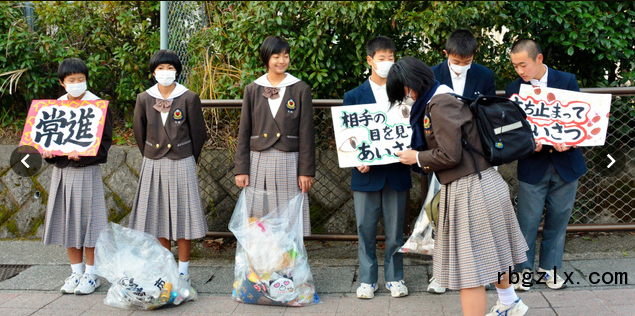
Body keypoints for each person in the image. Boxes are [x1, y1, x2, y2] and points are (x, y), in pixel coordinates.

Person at [388, 56, 529, 316]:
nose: (405, 98)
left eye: (404, 92)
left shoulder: (439, 103)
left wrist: (416, 157)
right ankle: (510, 301)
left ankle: (509, 302)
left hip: (471, 188)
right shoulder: (443, 97)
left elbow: (449, 155)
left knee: (470, 269)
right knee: (495, 251)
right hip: (479, 183)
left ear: (414, 83)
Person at [505, 39, 587, 291]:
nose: (520, 71)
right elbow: (512, 130)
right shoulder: (515, 88)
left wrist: (571, 142)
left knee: (558, 220)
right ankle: (523, 272)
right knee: (526, 221)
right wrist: (528, 143)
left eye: (523, 65)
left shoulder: (567, 80)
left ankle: (549, 270)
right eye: (515, 66)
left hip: (566, 163)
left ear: (538, 59)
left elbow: (578, 120)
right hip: (533, 163)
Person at [129, 49, 208, 285]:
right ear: (153, 72)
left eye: (170, 68)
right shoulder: (144, 98)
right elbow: (138, 131)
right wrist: (152, 154)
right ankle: (165, 267)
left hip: (182, 161)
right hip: (153, 162)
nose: (166, 72)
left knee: (184, 217)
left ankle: (183, 270)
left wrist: (186, 156)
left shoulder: (188, 97)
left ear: (177, 71)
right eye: (161, 68)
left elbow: (199, 134)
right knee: (159, 216)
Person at [428, 29, 497, 294]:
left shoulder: (484, 75)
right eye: (456, 61)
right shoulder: (433, 74)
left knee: (480, 219)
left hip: (476, 156)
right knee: (441, 218)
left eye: (466, 61)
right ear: (445, 55)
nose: (460, 67)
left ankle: (485, 272)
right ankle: (441, 274)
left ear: (473, 56)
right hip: (444, 155)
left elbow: (488, 112)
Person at [342, 36, 411, 299]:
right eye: (382, 58)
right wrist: (355, 159)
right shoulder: (353, 96)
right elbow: (347, 136)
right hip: (366, 173)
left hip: (396, 170)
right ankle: (367, 280)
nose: (387, 63)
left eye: (391, 58)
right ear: (370, 60)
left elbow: (411, 130)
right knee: (365, 229)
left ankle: (395, 278)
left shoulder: (405, 93)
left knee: (395, 231)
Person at [42, 57, 112, 295]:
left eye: (81, 79)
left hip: (86, 170)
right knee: (67, 221)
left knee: (90, 222)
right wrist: (48, 153)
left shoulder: (97, 105)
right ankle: (76, 271)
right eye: (71, 80)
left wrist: (82, 156)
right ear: (62, 82)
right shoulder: (54, 107)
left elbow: (105, 143)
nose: (77, 84)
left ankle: (92, 274)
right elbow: (46, 139)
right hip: (62, 171)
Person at [234, 35, 315, 236]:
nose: (281, 61)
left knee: (289, 219)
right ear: (266, 59)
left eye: (285, 56)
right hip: (258, 161)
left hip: (290, 160)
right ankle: (260, 266)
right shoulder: (252, 89)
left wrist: (306, 171)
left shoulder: (300, 89)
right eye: (276, 56)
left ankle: (289, 266)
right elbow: (244, 131)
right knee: (259, 220)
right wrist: (241, 169)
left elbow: (307, 133)